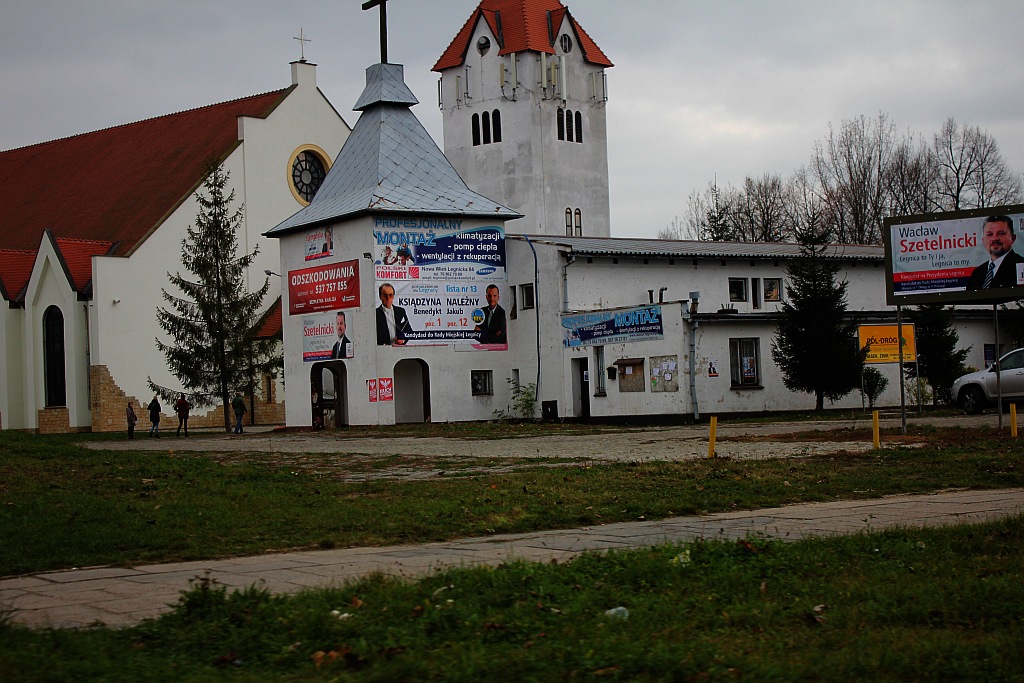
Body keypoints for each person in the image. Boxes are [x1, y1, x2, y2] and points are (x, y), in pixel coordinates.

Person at [967, 215, 1024, 290]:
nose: (995, 238)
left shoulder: (1021, 265)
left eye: (1001, 233)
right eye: (989, 234)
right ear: (983, 241)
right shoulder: (977, 273)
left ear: (1012, 238)